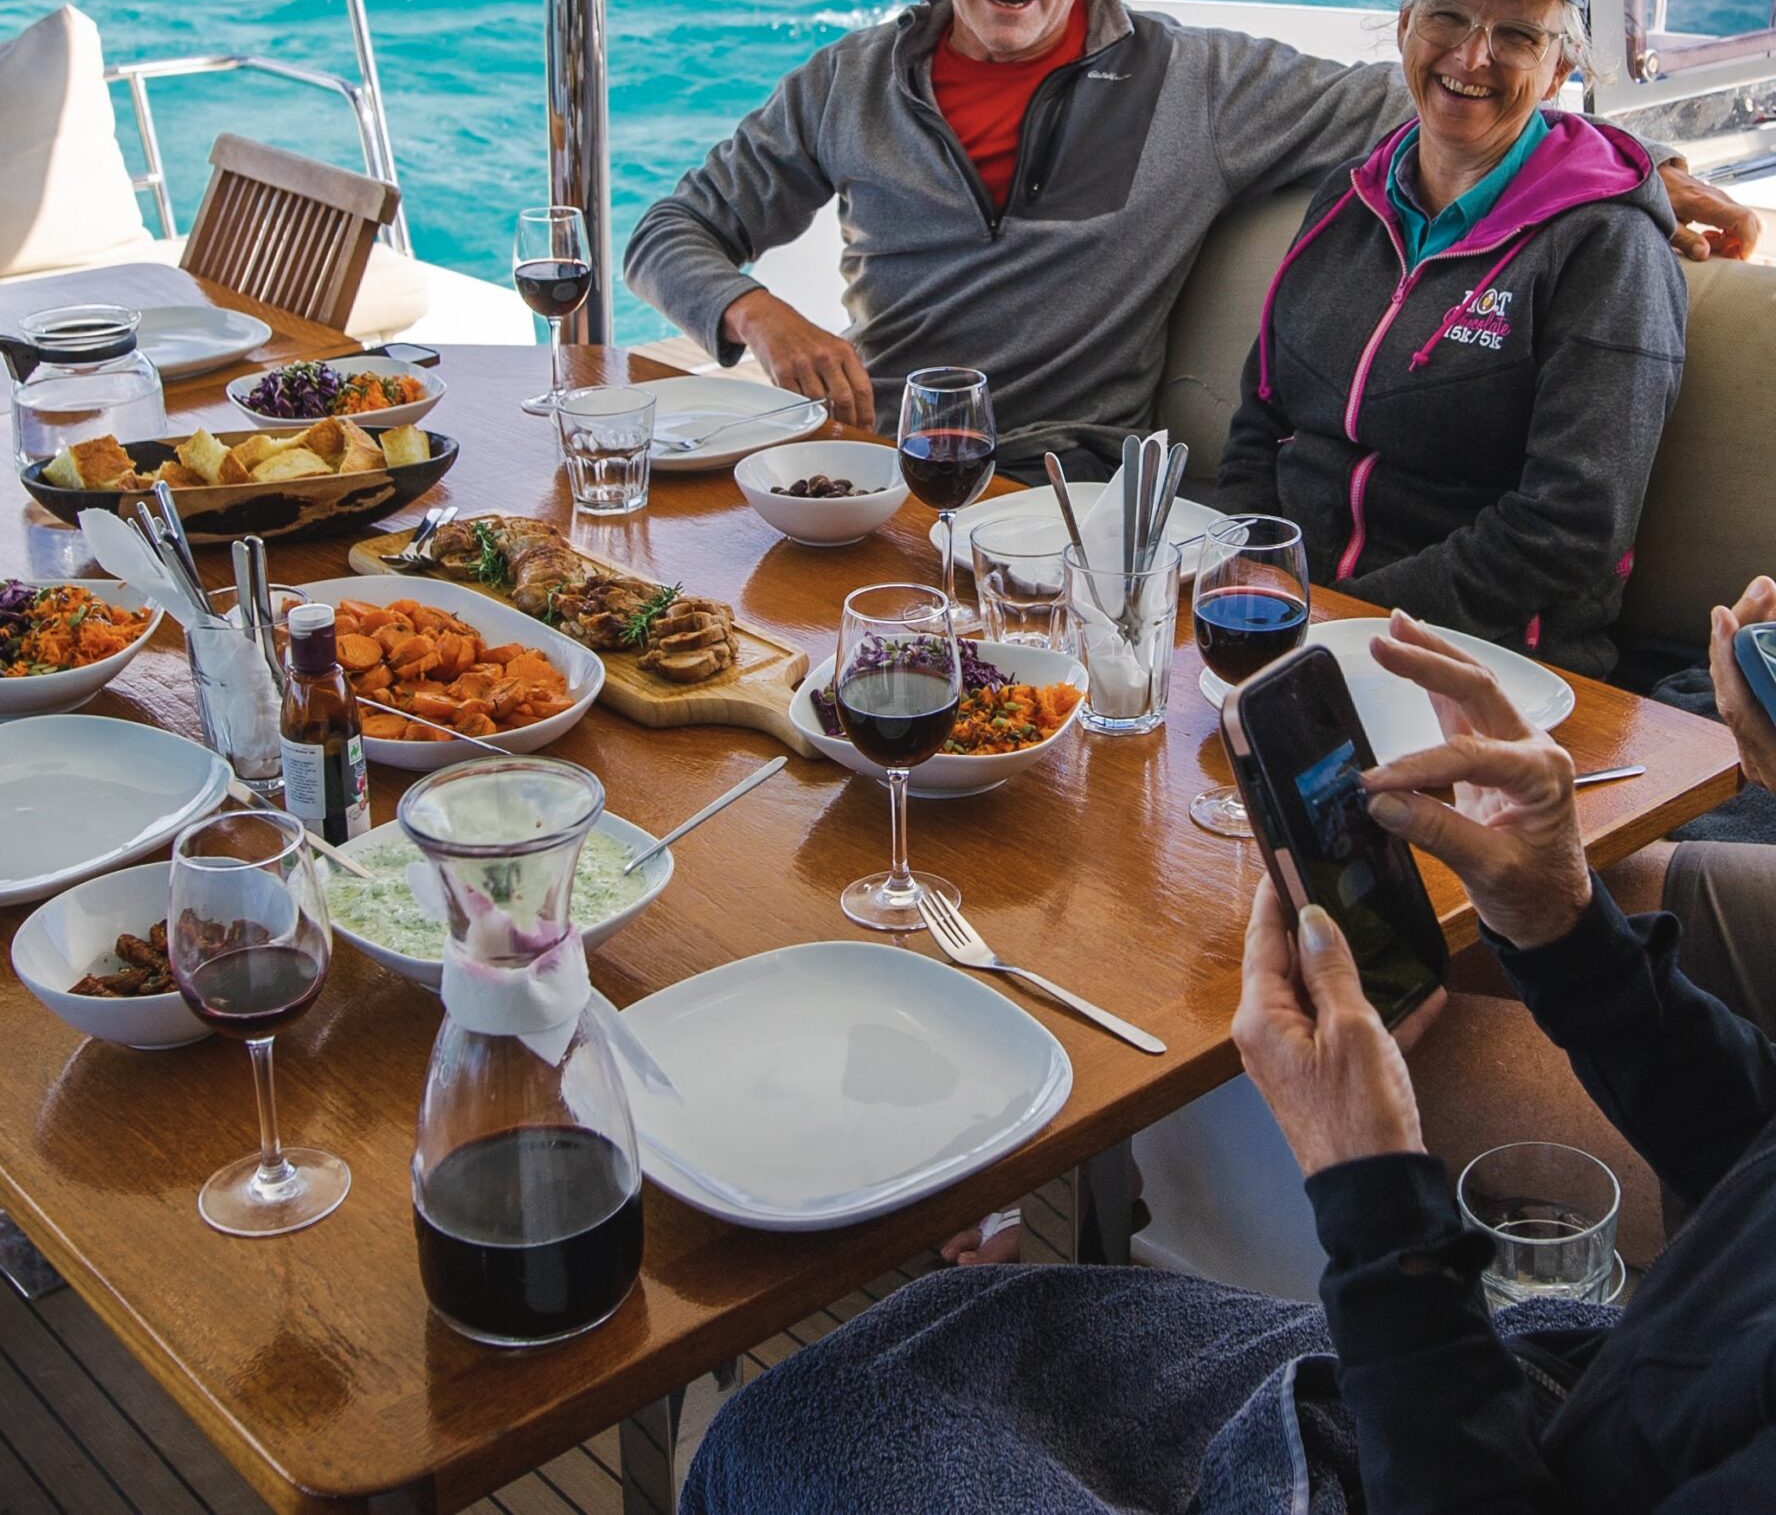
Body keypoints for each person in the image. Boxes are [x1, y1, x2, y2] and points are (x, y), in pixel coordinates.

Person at [681, 616, 1776, 1514]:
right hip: (1571, 1377)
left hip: (1481, 1449)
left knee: (789, 1424)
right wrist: (1568, 934)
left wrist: (1376, 1203)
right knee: (914, 1343)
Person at [624, 0, 1754, 477]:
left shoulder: (1197, 82)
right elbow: (668, 231)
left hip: (1062, 482)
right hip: (879, 459)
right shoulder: (847, 80)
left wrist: (1634, 169)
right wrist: (755, 314)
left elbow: (1453, 91)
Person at [1217, 0, 1687, 678]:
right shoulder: (1349, 194)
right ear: (1405, 27)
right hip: (1292, 628)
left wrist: (1349, 626)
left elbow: (1571, 524)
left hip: (1479, 666)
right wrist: (1251, 572)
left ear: (1558, 71)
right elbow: (1260, 419)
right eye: (1449, 18)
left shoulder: (1607, 249)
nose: (1472, 58)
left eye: (1517, 35)